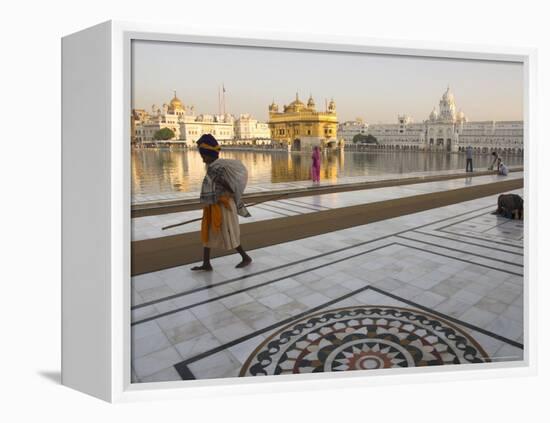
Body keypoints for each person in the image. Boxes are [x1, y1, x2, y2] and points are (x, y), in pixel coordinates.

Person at [191, 134, 252, 271]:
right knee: (208, 232)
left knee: (229, 233)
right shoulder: (214, 166)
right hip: (214, 204)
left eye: (203, 156)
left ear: (209, 154)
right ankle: (206, 263)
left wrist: (218, 192)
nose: (202, 160)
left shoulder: (217, 167)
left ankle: (245, 257)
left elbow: (229, 188)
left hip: (224, 206)